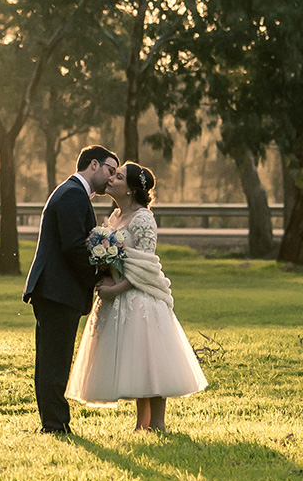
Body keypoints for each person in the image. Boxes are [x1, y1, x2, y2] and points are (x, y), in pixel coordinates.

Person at [66, 161, 208, 431]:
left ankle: (158, 423)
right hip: (117, 292)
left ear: (130, 189)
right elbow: (115, 259)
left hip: (140, 296)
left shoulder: (143, 218)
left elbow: (145, 264)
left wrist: (115, 289)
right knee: (136, 361)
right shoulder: (115, 216)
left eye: (118, 177)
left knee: (150, 359)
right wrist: (105, 274)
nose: (111, 179)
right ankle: (142, 424)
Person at [21, 146, 121, 435]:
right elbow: (74, 247)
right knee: (54, 360)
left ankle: (55, 422)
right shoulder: (72, 195)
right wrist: (99, 273)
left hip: (57, 290)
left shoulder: (72, 193)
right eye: (110, 171)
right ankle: (54, 425)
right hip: (56, 291)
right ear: (94, 165)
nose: (111, 179)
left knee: (55, 358)